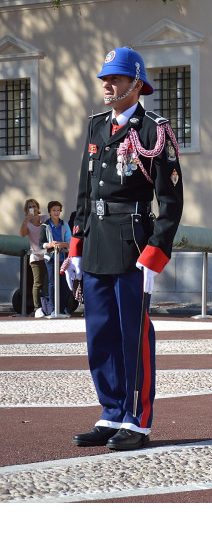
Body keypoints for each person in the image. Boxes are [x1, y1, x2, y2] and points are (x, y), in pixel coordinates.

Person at [64, 46, 184, 451]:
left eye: (115, 78)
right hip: (96, 238)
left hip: (132, 241)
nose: (107, 85)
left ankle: (138, 418)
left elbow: (171, 202)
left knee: (134, 334)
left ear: (136, 83)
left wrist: (156, 252)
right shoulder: (97, 126)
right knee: (100, 333)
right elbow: (85, 190)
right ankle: (111, 411)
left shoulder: (154, 130)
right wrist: (75, 246)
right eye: (104, 78)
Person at [39, 200, 72, 317]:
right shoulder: (45, 226)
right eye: (54, 210)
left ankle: (62, 309)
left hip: (63, 258)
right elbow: (41, 243)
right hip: (51, 258)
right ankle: (53, 309)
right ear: (49, 212)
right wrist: (50, 244)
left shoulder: (65, 224)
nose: (56, 212)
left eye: (58, 210)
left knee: (64, 284)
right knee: (52, 283)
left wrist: (59, 243)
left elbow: (69, 242)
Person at [19, 198, 47, 317]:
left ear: (38, 207)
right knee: (37, 283)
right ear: (27, 210)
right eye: (30, 207)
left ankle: (49, 305)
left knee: (50, 282)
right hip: (35, 256)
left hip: (48, 256)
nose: (33, 209)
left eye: (34, 206)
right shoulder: (28, 224)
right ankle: (37, 308)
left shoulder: (45, 218)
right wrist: (26, 221)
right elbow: (22, 234)